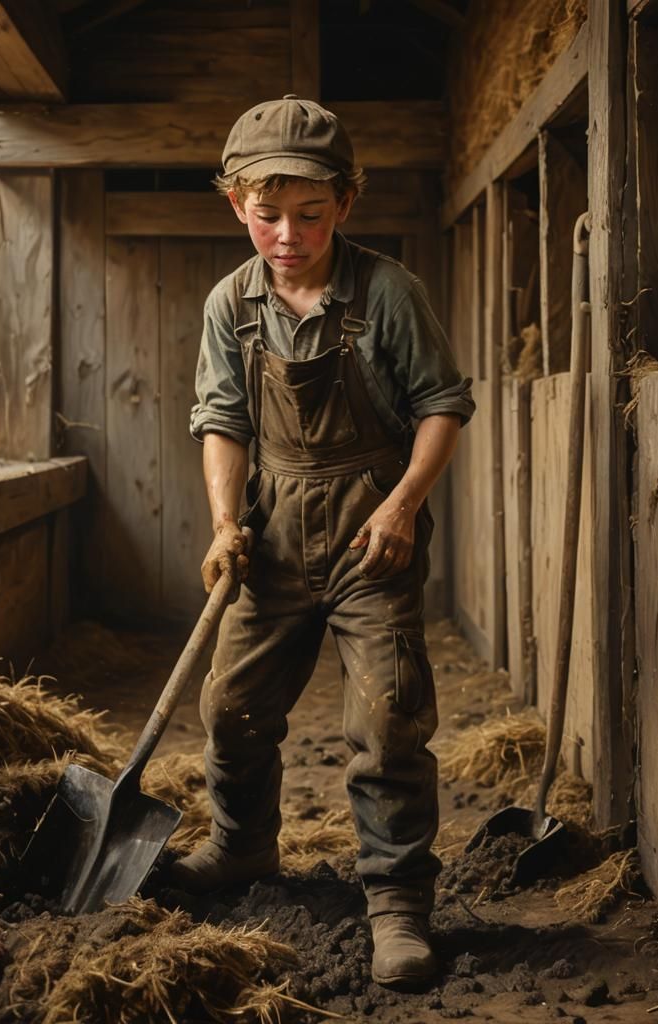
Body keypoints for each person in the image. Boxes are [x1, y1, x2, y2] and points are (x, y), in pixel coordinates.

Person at [175, 94, 475, 989]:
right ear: (237, 203)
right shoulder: (231, 305)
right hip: (270, 533)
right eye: (267, 214)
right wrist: (225, 524)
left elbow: (442, 406)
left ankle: (397, 902)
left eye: (310, 214)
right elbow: (223, 421)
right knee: (230, 706)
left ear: (345, 202)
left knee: (387, 720)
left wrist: (404, 506)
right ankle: (241, 846)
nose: (288, 236)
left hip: (370, 533)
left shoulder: (387, 294)